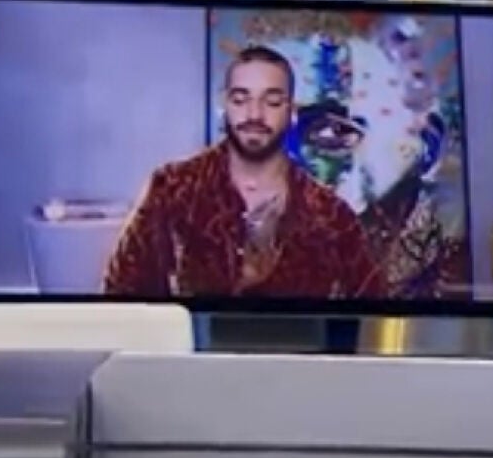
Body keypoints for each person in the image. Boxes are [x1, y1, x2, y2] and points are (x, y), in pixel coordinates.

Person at [103, 45, 385, 299]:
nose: (254, 115)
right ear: (226, 106)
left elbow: (372, 309)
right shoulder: (173, 189)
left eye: (271, 102)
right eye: (241, 99)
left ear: (290, 112)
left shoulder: (331, 216)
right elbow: (122, 292)